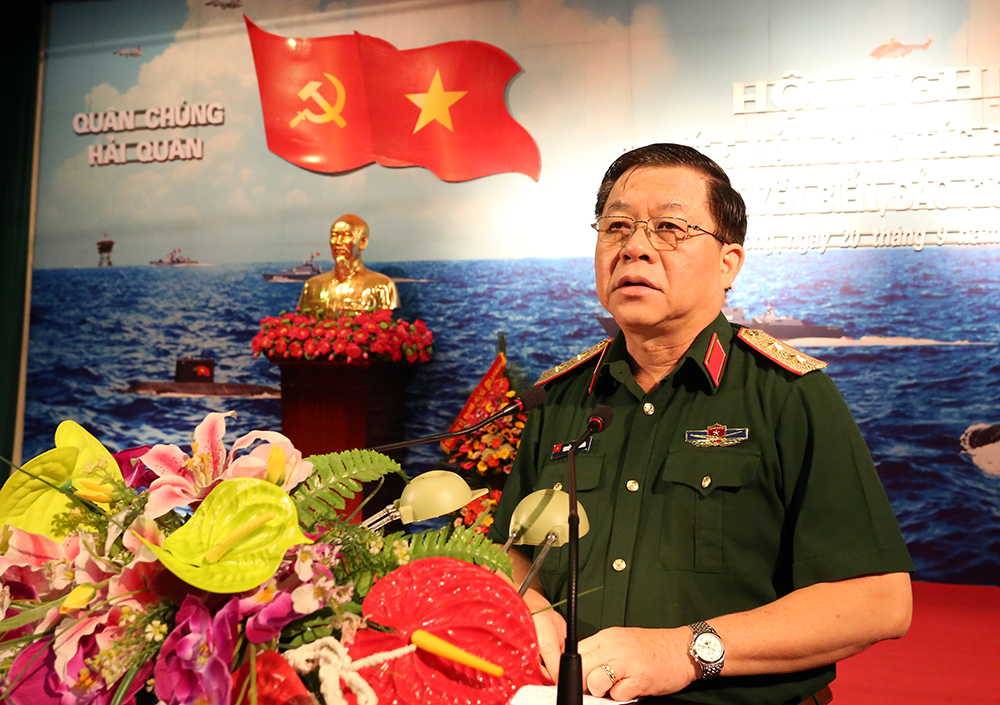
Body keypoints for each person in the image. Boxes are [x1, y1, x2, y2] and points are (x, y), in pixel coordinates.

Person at [488, 144, 913, 705]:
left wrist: (685, 651)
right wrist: (529, 605)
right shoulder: (561, 398)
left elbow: (878, 601)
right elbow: (510, 548)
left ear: (728, 263)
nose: (635, 247)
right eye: (616, 227)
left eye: (669, 228)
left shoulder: (789, 395)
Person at [298, 214, 400, 314]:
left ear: (363, 242)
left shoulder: (382, 285)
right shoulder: (313, 286)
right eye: (334, 236)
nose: (338, 242)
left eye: (346, 236)